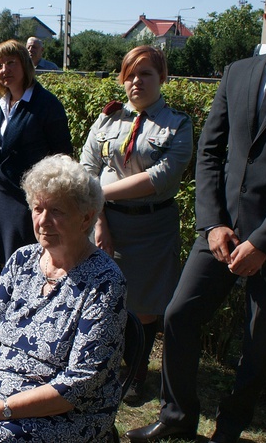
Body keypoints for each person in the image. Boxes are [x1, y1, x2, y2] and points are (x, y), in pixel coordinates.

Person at [126, 0, 266, 443]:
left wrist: (263, 242)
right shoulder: (238, 73)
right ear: (265, 15)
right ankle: (178, 418)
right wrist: (212, 224)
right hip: (219, 237)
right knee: (178, 317)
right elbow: (211, 154)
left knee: (257, 348)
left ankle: (229, 431)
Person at [0, 154, 126, 442]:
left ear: (87, 217)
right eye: (38, 208)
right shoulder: (22, 260)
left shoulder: (104, 281)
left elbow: (80, 382)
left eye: (57, 211)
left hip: (62, 416)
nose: (43, 221)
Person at [80, 45, 193, 402]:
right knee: (103, 297)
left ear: (162, 77)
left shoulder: (178, 124)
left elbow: (160, 177)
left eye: (145, 74)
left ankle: (136, 369)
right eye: (130, 74)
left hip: (151, 227)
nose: (136, 82)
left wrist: (100, 195)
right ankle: (105, 361)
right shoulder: (107, 119)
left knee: (144, 305)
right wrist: (99, 221)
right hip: (107, 224)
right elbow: (87, 169)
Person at [0, 39, 73, 272]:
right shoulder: (1, 104)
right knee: (6, 262)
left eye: (11, 63)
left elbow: (62, 154)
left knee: (29, 260)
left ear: (25, 64)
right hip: (1, 194)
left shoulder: (46, 104)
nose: (5, 70)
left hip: (30, 198)